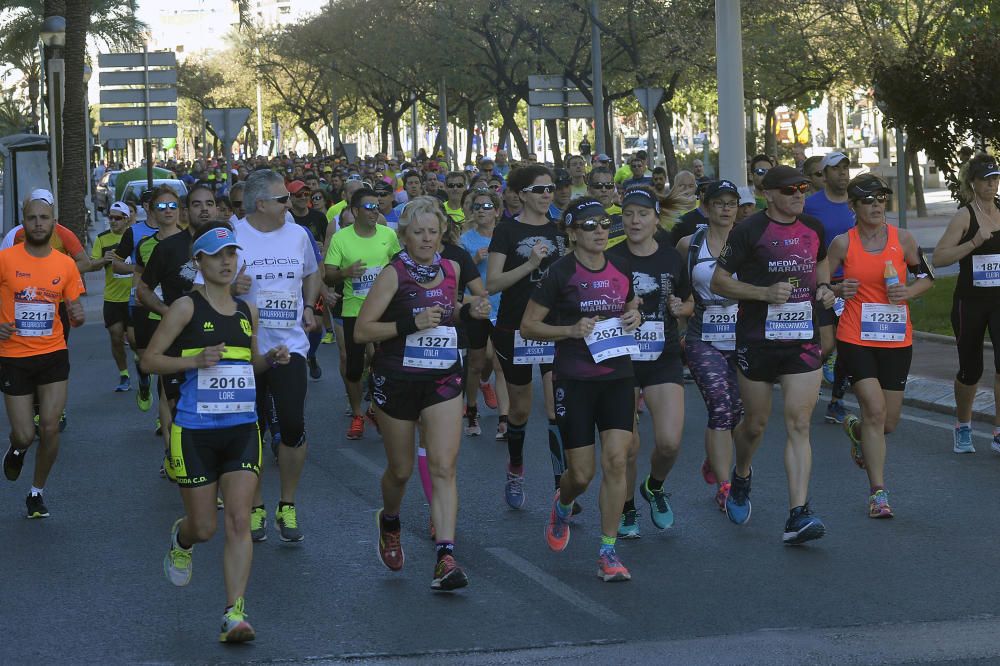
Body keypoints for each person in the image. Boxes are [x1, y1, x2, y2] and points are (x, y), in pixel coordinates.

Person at [146, 224, 290, 643]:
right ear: (199, 263)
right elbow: (151, 361)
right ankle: (182, 537)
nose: (227, 262)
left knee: (240, 521)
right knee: (205, 527)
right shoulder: (185, 309)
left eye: (232, 254)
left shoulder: (248, 311)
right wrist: (193, 363)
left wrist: (273, 360)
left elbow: (250, 364)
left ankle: (234, 613)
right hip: (194, 432)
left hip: (243, 428)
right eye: (217, 255)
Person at [355, 197, 491, 590]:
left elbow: (451, 310)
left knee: (444, 466)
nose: (427, 239)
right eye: (419, 232)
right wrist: (408, 324)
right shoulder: (393, 274)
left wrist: (470, 311)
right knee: (401, 470)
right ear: (405, 236)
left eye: (433, 231)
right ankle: (391, 521)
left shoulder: (450, 268)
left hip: (443, 378)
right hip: (398, 379)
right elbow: (363, 330)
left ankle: (445, 557)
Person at [711, 165, 836, 545]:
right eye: (790, 189)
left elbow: (821, 263)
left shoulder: (813, 227)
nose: (799, 194)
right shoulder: (750, 230)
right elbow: (720, 281)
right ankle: (743, 473)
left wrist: (826, 288)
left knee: (799, 423)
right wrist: (764, 294)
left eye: (803, 187)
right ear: (770, 195)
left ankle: (798, 513)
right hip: (757, 340)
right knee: (755, 425)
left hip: (802, 339)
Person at [521, 197, 641, 581]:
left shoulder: (621, 265)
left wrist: (634, 314)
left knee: (618, 460)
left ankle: (608, 551)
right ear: (572, 234)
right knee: (582, 474)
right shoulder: (559, 272)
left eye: (604, 223)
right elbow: (529, 326)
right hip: (574, 379)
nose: (600, 231)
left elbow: (629, 304)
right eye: (590, 225)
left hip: (618, 374)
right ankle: (564, 502)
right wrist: (569, 330)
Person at [828, 174, 933, 518]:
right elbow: (824, 281)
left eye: (881, 199)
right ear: (854, 207)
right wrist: (836, 290)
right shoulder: (843, 243)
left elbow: (926, 277)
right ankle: (878, 493)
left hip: (895, 337)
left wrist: (908, 292)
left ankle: (858, 432)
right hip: (855, 336)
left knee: (887, 422)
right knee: (874, 409)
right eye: (868, 200)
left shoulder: (903, 239)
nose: (876, 205)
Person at [233, 170, 321, 543]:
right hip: (243, 348)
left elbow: (311, 273)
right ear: (261, 204)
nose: (291, 204)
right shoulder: (233, 235)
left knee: (292, 424)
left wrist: (310, 306)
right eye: (282, 199)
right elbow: (201, 284)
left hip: (290, 346)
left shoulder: (298, 234)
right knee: (250, 429)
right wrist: (229, 285)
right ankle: (255, 507)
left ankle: (287, 503)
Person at [487, 165, 570, 510]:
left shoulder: (561, 229)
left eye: (550, 188)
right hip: (515, 328)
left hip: (553, 327)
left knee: (555, 408)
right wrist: (529, 264)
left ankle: (560, 487)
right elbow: (492, 283)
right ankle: (516, 467)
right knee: (520, 410)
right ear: (521, 194)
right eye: (539, 190)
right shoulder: (506, 230)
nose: (547, 194)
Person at [609, 188, 691, 537]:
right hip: (620, 358)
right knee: (628, 445)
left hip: (663, 356)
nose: (635, 220)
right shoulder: (610, 258)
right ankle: (627, 508)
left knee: (670, 441)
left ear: (657, 218)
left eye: (643, 213)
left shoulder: (672, 258)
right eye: (628, 214)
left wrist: (680, 309)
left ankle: (654, 486)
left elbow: (689, 302)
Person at [1, 189, 85, 518]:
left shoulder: (65, 265)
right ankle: (18, 448)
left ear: (54, 223)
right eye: (32, 218)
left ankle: (36, 491)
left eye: (44, 218)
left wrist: (76, 314)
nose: (38, 224)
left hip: (52, 353)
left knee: (50, 427)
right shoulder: (6, 260)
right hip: (13, 356)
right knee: (25, 432)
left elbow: (74, 305)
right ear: (23, 223)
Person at [677, 180, 744, 512]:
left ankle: (715, 457)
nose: (726, 208)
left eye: (731, 202)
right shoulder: (689, 245)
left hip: (744, 335)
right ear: (705, 205)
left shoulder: (751, 242)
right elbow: (679, 291)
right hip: (703, 335)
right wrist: (679, 317)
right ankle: (724, 484)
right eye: (719, 202)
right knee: (719, 405)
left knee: (739, 412)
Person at [932, 153, 1000, 453]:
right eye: (986, 179)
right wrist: (973, 243)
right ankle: (962, 425)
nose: (992, 184)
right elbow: (938, 258)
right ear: (972, 183)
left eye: (996, 178)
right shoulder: (965, 216)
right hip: (970, 303)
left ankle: (998, 432)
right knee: (970, 369)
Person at [324, 188, 401, 439]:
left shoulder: (388, 235)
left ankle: (375, 409)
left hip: (384, 310)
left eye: (377, 206)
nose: (375, 211)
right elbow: (329, 274)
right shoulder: (341, 238)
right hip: (354, 310)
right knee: (355, 369)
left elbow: (400, 267)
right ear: (355, 211)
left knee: (386, 364)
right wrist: (345, 272)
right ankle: (358, 414)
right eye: (369, 207)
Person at [804, 151, 855, 424]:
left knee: (847, 347)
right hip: (822, 284)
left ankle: (836, 402)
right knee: (826, 345)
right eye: (836, 169)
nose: (843, 173)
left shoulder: (857, 202)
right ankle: (798, 375)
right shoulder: (810, 205)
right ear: (824, 175)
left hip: (852, 286)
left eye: (846, 167)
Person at [460, 190, 508, 439]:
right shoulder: (466, 239)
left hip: (503, 307)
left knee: (500, 364)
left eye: (487, 206)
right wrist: (473, 259)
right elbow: (457, 273)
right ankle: (471, 409)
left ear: (497, 211)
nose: (481, 210)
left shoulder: (505, 236)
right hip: (478, 308)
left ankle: (504, 420)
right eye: (477, 206)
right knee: (477, 363)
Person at [87, 201, 133, 391]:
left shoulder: (134, 237)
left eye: (117, 218)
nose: (113, 221)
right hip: (112, 298)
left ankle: (143, 369)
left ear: (126, 219)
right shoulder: (102, 239)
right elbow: (90, 265)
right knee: (115, 337)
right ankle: (124, 375)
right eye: (111, 217)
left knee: (135, 339)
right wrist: (102, 260)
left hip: (133, 298)